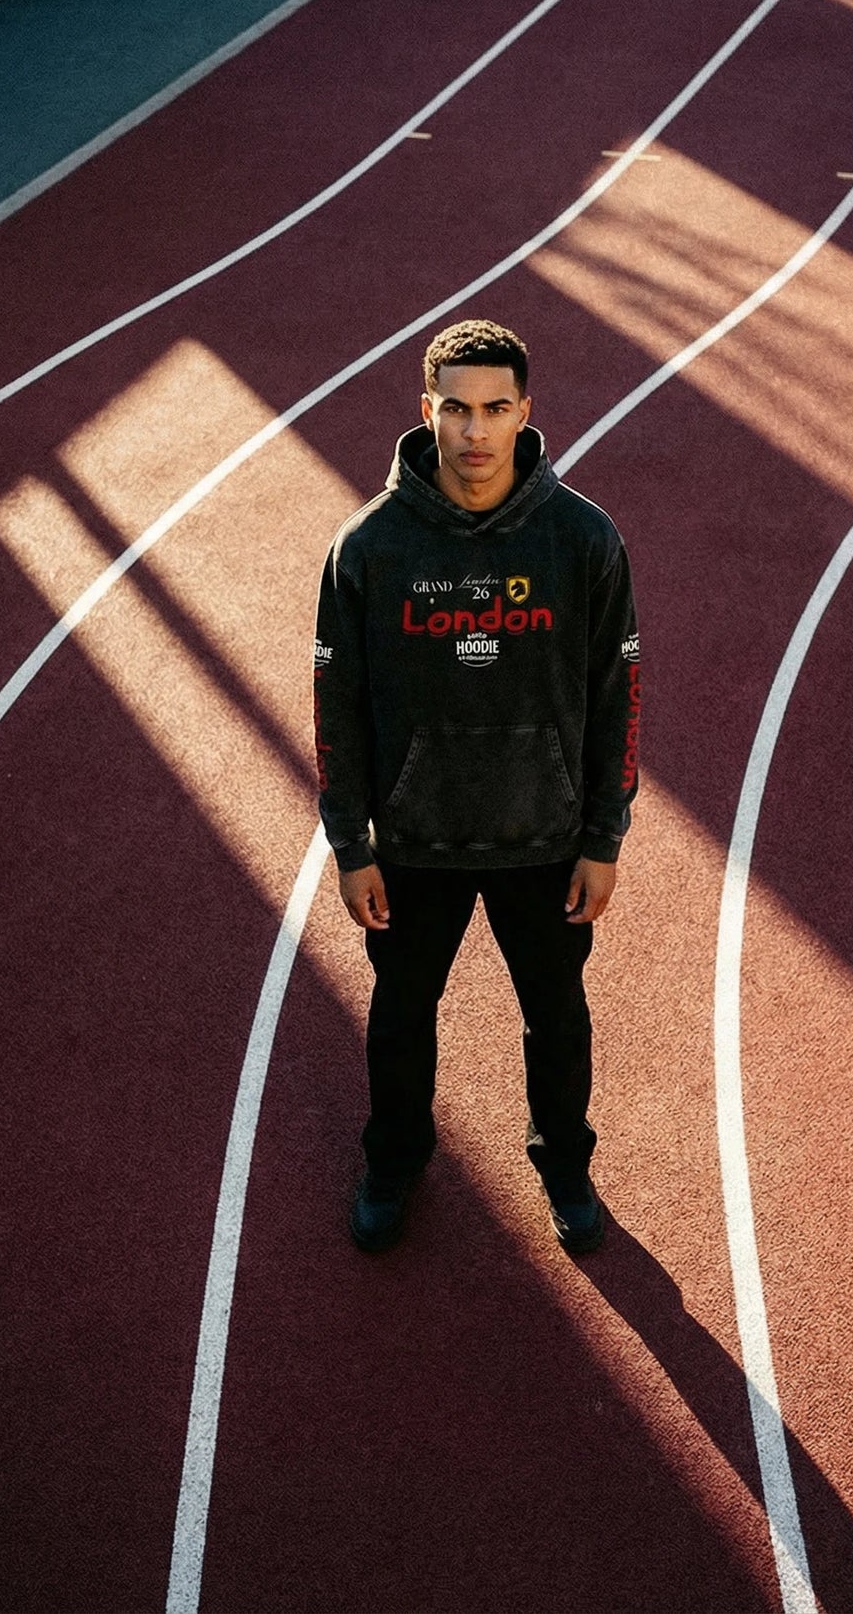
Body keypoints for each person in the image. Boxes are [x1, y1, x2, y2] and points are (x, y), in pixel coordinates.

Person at [312, 318, 640, 1254]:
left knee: (557, 1020)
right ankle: (393, 1161)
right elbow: (335, 706)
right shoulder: (367, 547)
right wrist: (351, 847)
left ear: (525, 413)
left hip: (544, 840)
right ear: (427, 412)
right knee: (401, 1019)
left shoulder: (583, 540)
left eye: (496, 408)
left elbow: (619, 694)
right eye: (456, 409)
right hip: (412, 845)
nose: (475, 430)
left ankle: (566, 1167)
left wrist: (602, 839)